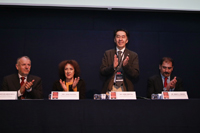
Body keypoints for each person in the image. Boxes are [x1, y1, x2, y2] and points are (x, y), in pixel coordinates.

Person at [100, 29, 139, 93]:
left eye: (123, 37)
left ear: (127, 40)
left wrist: (126, 66)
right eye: (118, 37)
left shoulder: (133, 55)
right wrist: (112, 67)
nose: (120, 39)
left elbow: (135, 74)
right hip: (111, 89)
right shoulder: (108, 53)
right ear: (114, 40)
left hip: (126, 89)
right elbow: (102, 72)